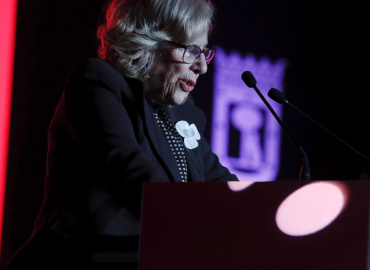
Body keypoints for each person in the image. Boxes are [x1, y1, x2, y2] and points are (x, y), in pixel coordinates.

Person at [3, 0, 238, 269]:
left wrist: (256, 211)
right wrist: (199, 229)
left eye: (205, 53)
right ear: (149, 41)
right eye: (192, 51)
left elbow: (218, 180)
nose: (202, 67)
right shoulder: (97, 81)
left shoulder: (182, 113)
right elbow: (128, 171)